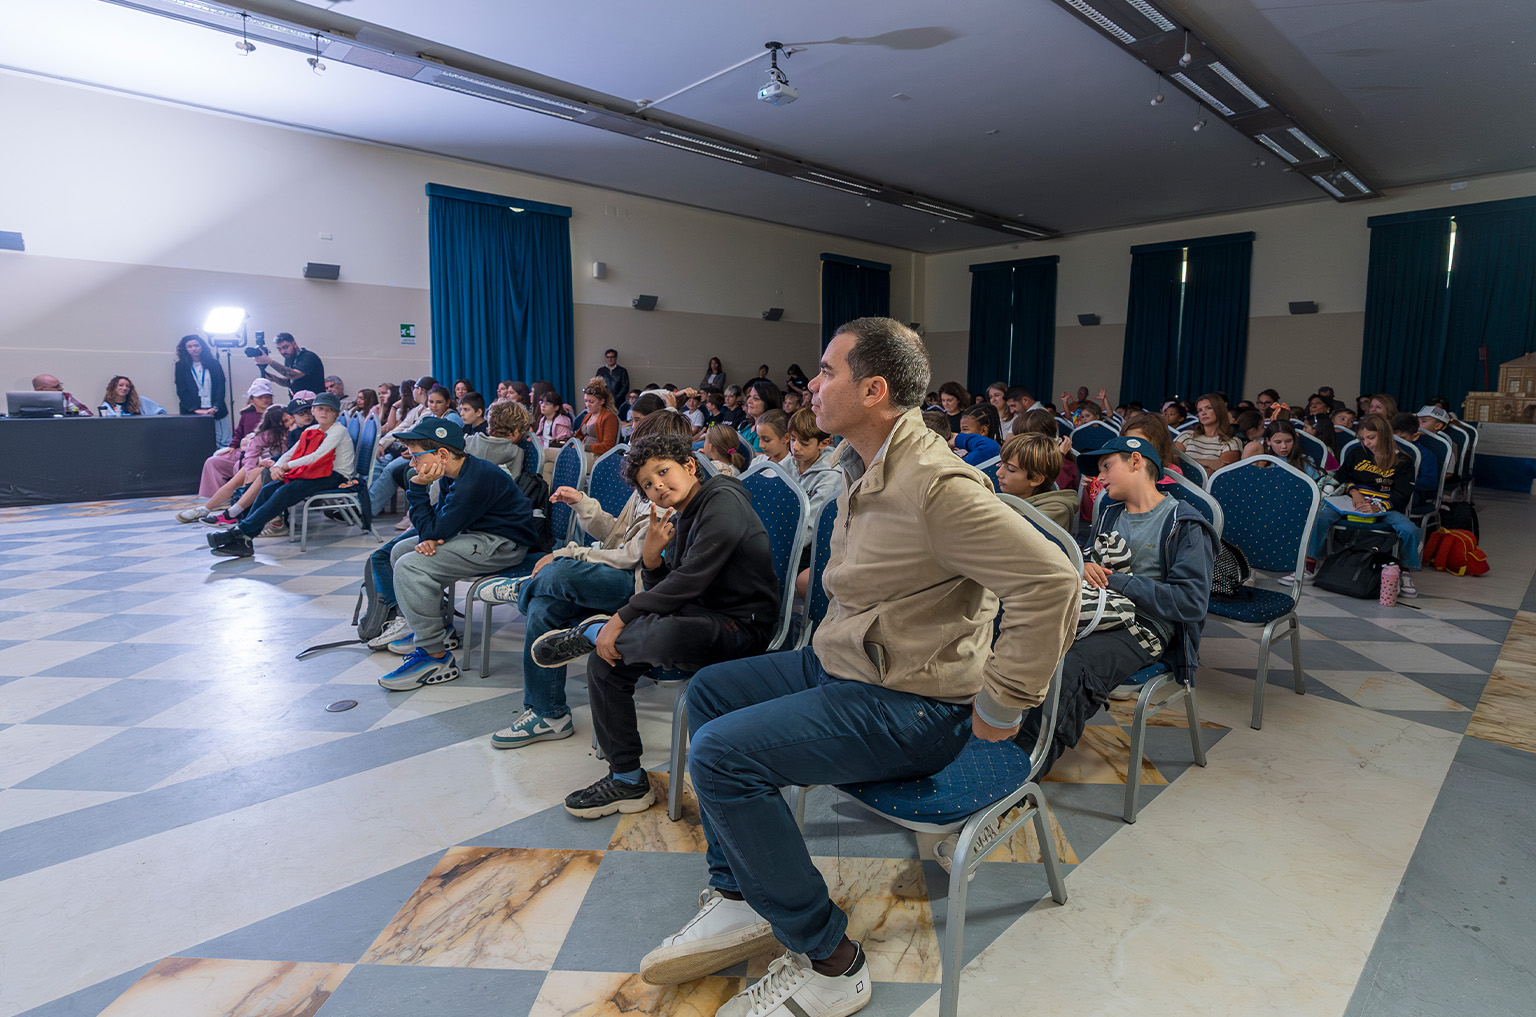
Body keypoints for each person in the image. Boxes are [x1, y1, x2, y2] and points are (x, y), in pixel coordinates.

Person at [634, 318, 1077, 1016]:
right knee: (712, 691)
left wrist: (1004, 701)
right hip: (843, 665)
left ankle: (832, 961)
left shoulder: (936, 485)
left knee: (720, 757)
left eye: (826, 370)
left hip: (913, 704)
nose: (811, 383)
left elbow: (1052, 581)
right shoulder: (857, 463)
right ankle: (740, 892)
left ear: (873, 389)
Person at [527, 429, 780, 819]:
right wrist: (651, 560)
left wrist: (620, 618)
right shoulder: (679, 518)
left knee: (659, 632)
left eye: (664, 472)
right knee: (606, 663)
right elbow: (670, 590)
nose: (658, 486)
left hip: (742, 628)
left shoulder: (723, 501)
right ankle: (627, 779)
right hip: (699, 618)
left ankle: (591, 632)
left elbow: (689, 582)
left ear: (690, 466)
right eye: (648, 484)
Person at [481, 409, 694, 748]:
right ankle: (548, 714)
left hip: (639, 588)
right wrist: (584, 504)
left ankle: (524, 587)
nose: (634, 453)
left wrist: (569, 553)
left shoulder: (674, 495)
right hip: (619, 573)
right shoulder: (647, 486)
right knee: (545, 603)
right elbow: (616, 536)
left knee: (560, 570)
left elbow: (632, 557)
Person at [1015, 434, 1214, 778]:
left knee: (1074, 667)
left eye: (1107, 466)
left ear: (1137, 462)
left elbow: (1190, 602)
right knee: (1018, 629)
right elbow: (1091, 557)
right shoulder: (1109, 512)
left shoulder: (1185, 523)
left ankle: (1020, 768)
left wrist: (1116, 581)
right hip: (1099, 608)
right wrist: (1083, 564)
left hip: (1146, 627)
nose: (1100, 478)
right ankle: (991, 733)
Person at [372, 416, 538, 689]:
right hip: (476, 534)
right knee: (401, 549)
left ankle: (434, 656)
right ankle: (437, 630)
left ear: (442, 454)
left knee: (410, 565)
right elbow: (437, 523)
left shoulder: (474, 481)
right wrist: (433, 537)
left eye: (416, 457)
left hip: (503, 545)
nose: (412, 465)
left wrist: (418, 489)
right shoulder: (456, 472)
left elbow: (434, 529)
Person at [206, 392, 356, 557]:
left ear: (336, 414)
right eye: (320, 408)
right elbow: (292, 452)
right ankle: (244, 537)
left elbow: (316, 456)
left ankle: (241, 533)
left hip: (336, 476)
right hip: (315, 471)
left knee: (286, 490)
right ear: (313, 410)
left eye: (329, 410)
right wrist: (276, 467)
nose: (324, 413)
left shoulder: (338, 431)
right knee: (268, 489)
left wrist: (284, 467)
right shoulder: (312, 429)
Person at [1293, 413, 1419, 596]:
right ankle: (1310, 565)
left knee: (1410, 530)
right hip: (1351, 502)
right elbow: (1343, 476)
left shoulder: (1403, 461)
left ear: (1384, 435)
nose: (1366, 443)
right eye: (1362, 438)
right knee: (1320, 517)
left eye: (1371, 438)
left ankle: (1406, 570)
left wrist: (1379, 507)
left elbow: (1402, 494)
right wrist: (1354, 492)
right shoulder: (1358, 452)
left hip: (1384, 506)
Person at [995, 432, 1076, 531]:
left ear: (1035, 479)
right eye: (1000, 464)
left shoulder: (1054, 511)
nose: (999, 473)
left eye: (1011, 469)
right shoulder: (1011, 497)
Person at [174, 335, 229, 444]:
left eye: (196, 345)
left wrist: (216, 407)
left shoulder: (214, 363)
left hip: (215, 410)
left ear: (202, 346)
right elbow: (182, 390)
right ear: (185, 349)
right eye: (190, 346)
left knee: (223, 441)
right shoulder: (181, 366)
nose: (194, 349)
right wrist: (194, 409)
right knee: (196, 442)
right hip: (193, 411)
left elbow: (220, 386)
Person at [1173, 393, 1243, 474]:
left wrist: (1185, 462)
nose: (1203, 413)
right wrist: (1209, 463)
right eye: (1200, 410)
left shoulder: (1232, 442)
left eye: (1209, 408)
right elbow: (1172, 460)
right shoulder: (1186, 436)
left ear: (1219, 410)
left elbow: (1220, 473)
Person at [1243, 419, 1325, 480]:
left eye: (1288, 441)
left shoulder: (1305, 460)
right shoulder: (1263, 460)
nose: (1284, 446)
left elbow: (1315, 488)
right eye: (1278, 442)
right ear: (1268, 441)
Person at [253, 332, 325, 396]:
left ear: (294, 344)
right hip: (297, 401)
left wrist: (269, 361)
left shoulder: (308, 357)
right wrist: (274, 378)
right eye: (279, 349)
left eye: (285, 347)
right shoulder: (289, 359)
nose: (282, 352)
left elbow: (294, 375)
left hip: (313, 402)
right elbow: (289, 382)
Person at [579, 381, 620, 455]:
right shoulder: (587, 416)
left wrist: (585, 447)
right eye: (586, 401)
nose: (587, 405)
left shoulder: (609, 417)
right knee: (551, 455)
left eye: (591, 402)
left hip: (596, 455)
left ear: (601, 401)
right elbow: (578, 436)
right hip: (582, 452)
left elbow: (608, 446)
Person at [98, 376, 168, 416]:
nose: (124, 388)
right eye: (121, 385)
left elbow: (160, 412)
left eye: (127, 386)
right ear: (113, 387)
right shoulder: (106, 407)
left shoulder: (140, 401)